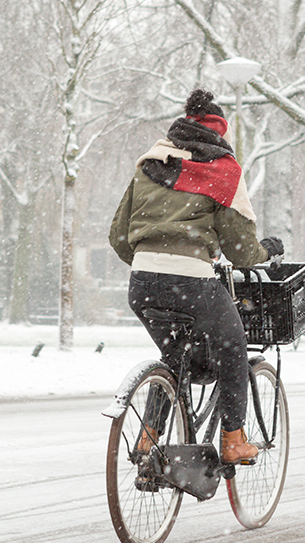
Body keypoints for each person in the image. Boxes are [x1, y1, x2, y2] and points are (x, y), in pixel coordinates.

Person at [109, 88, 283, 464]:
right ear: (220, 133)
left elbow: (119, 236)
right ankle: (233, 441)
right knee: (233, 347)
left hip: (142, 283)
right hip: (192, 283)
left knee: (174, 356)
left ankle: (148, 439)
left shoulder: (151, 163)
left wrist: (151, 261)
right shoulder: (222, 170)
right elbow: (241, 251)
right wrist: (266, 251)